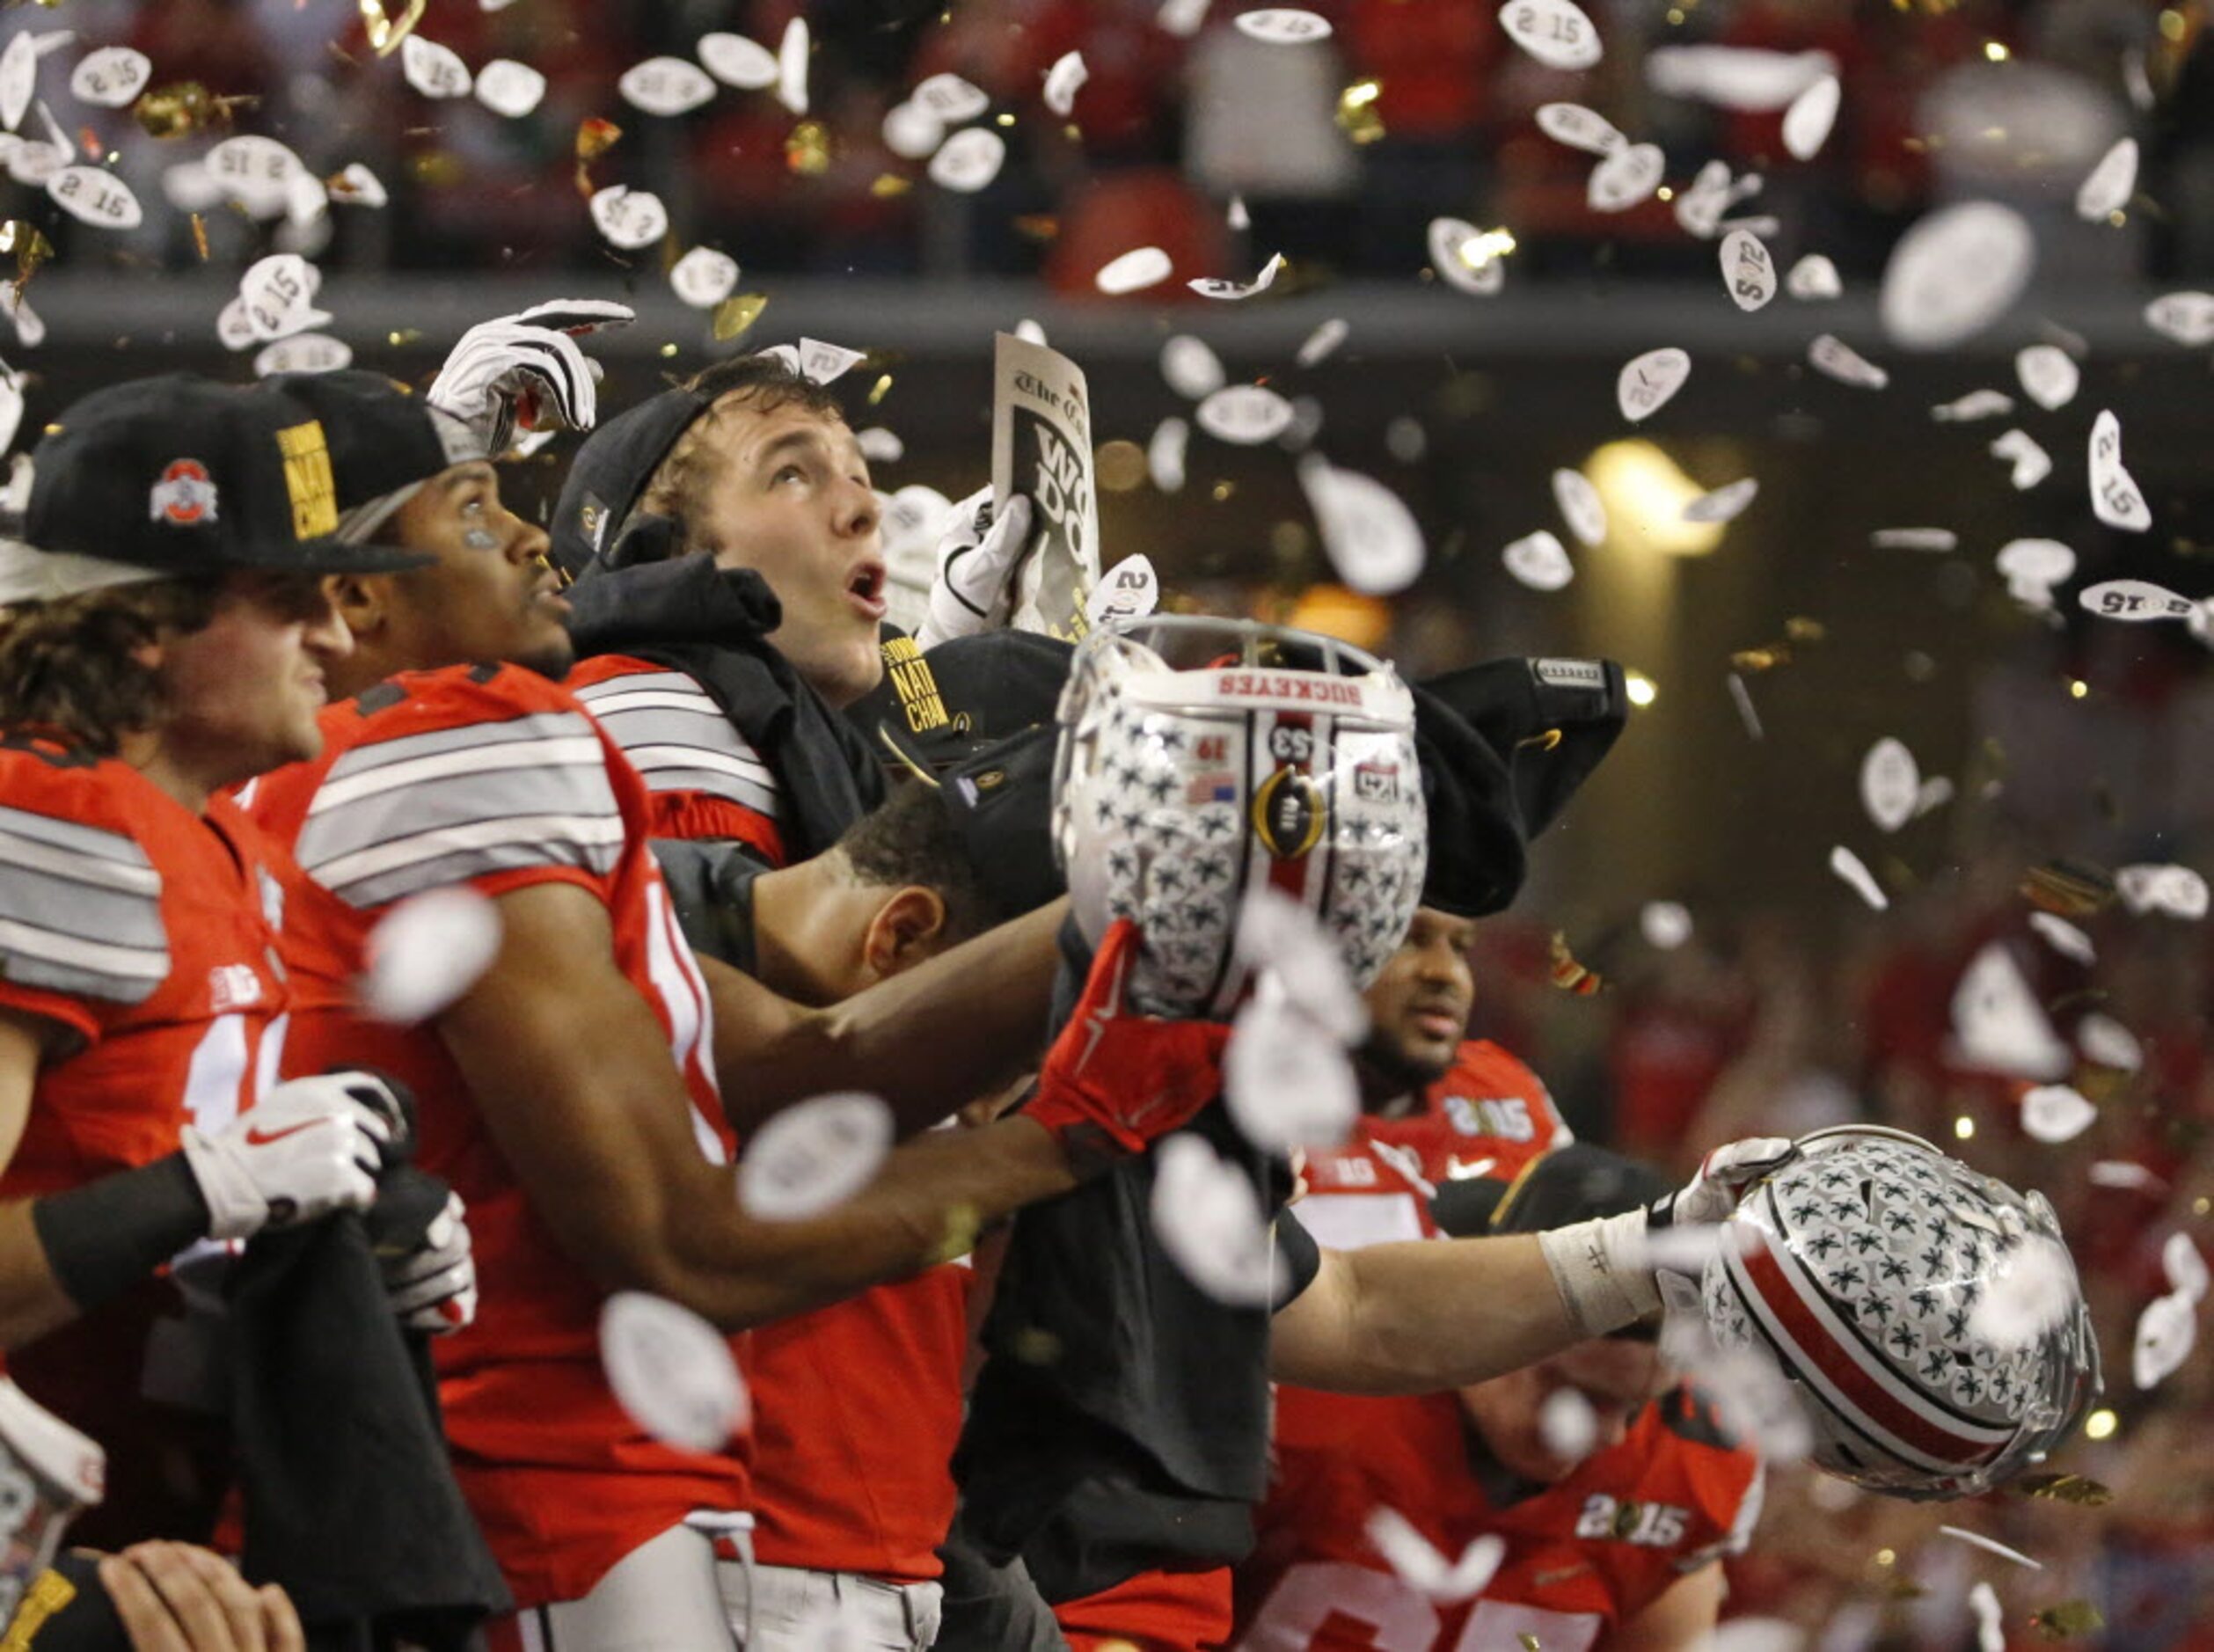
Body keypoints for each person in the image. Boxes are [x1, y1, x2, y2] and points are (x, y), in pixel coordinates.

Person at [240, 369, 1224, 1650]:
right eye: (479, 506)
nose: (535, 536)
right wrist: (1083, 1086)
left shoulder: (387, 767)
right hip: (607, 1504)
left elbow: (793, 1062)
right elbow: (695, 1227)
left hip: (652, 1497)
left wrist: (1152, 915)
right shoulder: (535, 726)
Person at [951, 621, 1791, 1652]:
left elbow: (1354, 1312)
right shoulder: (1005, 1049)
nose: (1434, 967)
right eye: (1399, 924)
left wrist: (1638, 1249)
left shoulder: (1469, 1096)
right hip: (938, 1560)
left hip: (1151, 1584)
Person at [0, 375, 439, 1548]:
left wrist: (328, 1258)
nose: (338, 639)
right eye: (291, 602)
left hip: (161, 1531)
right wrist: (198, 1191)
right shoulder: (47, 816)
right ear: (148, 619)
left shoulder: (223, 839)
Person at [1237, 1144, 1765, 1652]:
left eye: (1636, 1405)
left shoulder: (1695, 1464)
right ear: (1489, 1325)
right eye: (1577, 1396)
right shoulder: (1303, 1393)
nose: (1610, 1436)